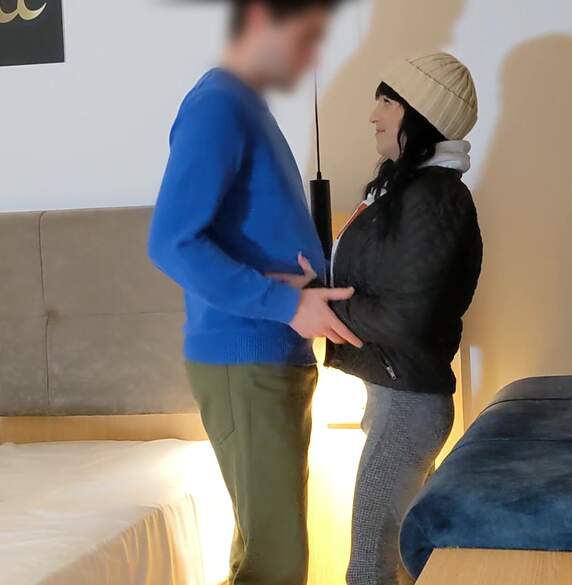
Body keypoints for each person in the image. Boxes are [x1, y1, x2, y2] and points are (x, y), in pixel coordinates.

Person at [148, 1, 360, 583]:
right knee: (275, 565)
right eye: (306, 37)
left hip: (267, 354)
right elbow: (170, 242)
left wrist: (307, 281)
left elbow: (251, 232)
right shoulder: (218, 105)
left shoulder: (243, 105)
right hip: (246, 356)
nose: (311, 56)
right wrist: (286, 302)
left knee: (266, 555)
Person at [324, 53, 483, 585]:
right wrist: (315, 287)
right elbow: (383, 285)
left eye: (388, 101)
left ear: (421, 113)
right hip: (395, 398)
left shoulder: (435, 197)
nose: (374, 114)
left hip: (407, 406)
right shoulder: (405, 191)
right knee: (396, 567)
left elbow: (406, 318)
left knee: (368, 572)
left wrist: (322, 311)